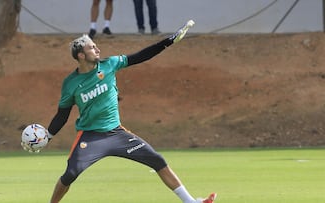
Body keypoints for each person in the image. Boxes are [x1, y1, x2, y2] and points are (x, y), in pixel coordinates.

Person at [44, 21, 216, 203]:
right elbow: (62, 114)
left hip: (117, 134)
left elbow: (140, 56)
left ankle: (191, 202)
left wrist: (168, 42)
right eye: (92, 48)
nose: (97, 49)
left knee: (157, 160)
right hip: (90, 136)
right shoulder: (70, 83)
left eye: (96, 46)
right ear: (80, 55)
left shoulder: (110, 64)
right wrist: (48, 135)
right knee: (70, 174)